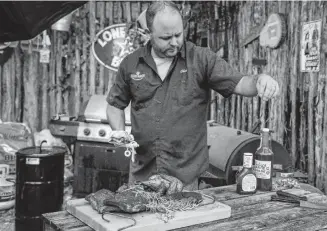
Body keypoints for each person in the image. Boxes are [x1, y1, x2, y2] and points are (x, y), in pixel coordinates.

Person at [106, 1, 279, 191]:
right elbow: (115, 105)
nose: (175, 42)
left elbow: (240, 83)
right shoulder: (131, 64)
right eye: (166, 37)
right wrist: (119, 130)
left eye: (178, 34)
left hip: (185, 178)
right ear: (149, 34)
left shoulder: (201, 59)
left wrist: (260, 80)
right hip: (143, 174)